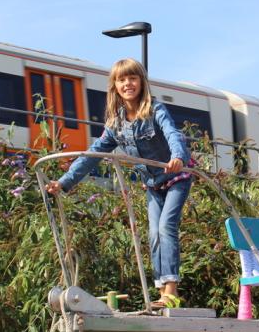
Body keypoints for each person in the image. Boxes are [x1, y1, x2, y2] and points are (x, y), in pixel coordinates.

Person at [45, 58, 192, 308]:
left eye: (132, 78)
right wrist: (64, 182)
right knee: (153, 233)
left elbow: (172, 133)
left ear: (142, 82)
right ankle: (161, 292)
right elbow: (93, 154)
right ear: (115, 86)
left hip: (176, 177)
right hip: (153, 184)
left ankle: (171, 292)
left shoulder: (155, 109)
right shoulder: (116, 124)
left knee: (166, 226)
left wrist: (177, 157)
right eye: (122, 80)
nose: (128, 84)